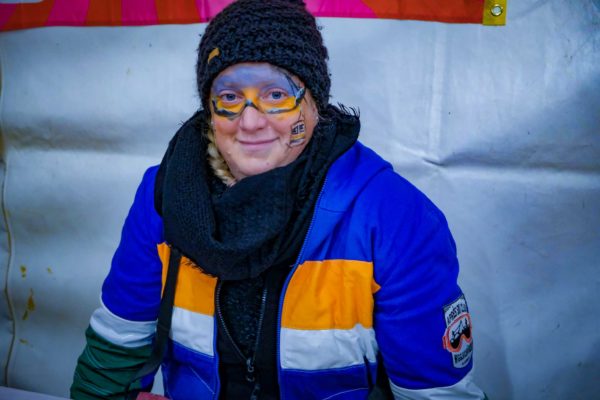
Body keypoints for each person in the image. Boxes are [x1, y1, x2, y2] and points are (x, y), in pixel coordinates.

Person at [71, 0, 486, 399]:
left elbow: (435, 394)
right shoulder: (163, 196)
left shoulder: (394, 217)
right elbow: (111, 364)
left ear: (315, 103)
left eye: (276, 95)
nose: (250, 121)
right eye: (229, 97)